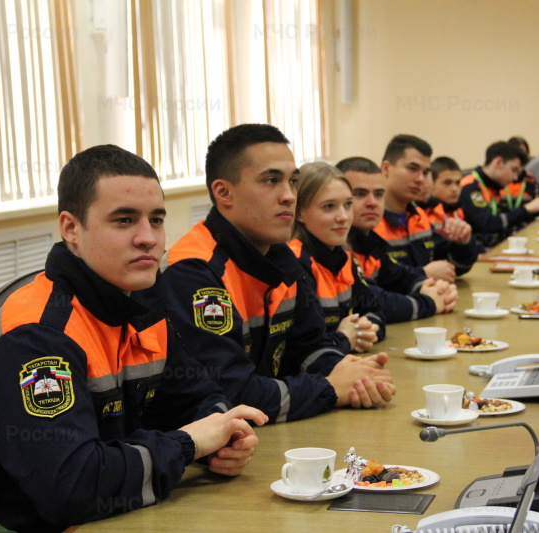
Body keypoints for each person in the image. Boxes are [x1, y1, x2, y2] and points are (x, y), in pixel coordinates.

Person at [0, 145, 267, 532]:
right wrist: (188, 445)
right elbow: (74, 488)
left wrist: (221, 435)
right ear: (71, 229)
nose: (148, 238)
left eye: (157, 219)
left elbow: (195, 400)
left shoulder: (140, 303)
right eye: (125, 220)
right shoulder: (36, 335)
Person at [156, 124, 395, 424]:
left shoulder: (280, 256)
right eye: (271, 180)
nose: (289, 196)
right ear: (224, 192)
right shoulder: (193, 270)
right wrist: (331, 387)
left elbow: (309, 348)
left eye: (293, 181)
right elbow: (234, 394)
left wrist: (353, 376)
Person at [337, 157, 458, 324]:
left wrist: (434, 289)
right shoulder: (336, 248)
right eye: (359, 194)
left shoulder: (371, 241)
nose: (372, 203)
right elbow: (374, 300)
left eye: (379, 194)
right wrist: (431, 303)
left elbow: (399, 277)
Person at [288, 162, 385, 350]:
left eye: (348, 204)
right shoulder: (295, 262)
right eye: (329, 207)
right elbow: (304, 349)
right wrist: (344, 338)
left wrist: (363, 331)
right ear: (299, 213)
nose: (343, 217)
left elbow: (374, 310)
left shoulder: (345, 255)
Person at [375, 134, 481, 282]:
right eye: (412, 168)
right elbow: (372, 286)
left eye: (425, 172)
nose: (420, 179)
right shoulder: (370, 219)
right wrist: (423, 274)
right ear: (386, 168)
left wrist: (461, 243)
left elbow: (454, 268)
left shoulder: (418, 216)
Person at [459, 141, 539, 248]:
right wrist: (527, 209)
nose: (515, 178)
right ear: (498, 163)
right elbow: (488, 224)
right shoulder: (470, 187)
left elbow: (507, 218)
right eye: (514, 170)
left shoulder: (493, 186)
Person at [427, 156, 465, 226]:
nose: (454, 189)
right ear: (431, 183)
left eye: (457, 183)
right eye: (447, 183)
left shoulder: (460, 210)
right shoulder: (423, 214)